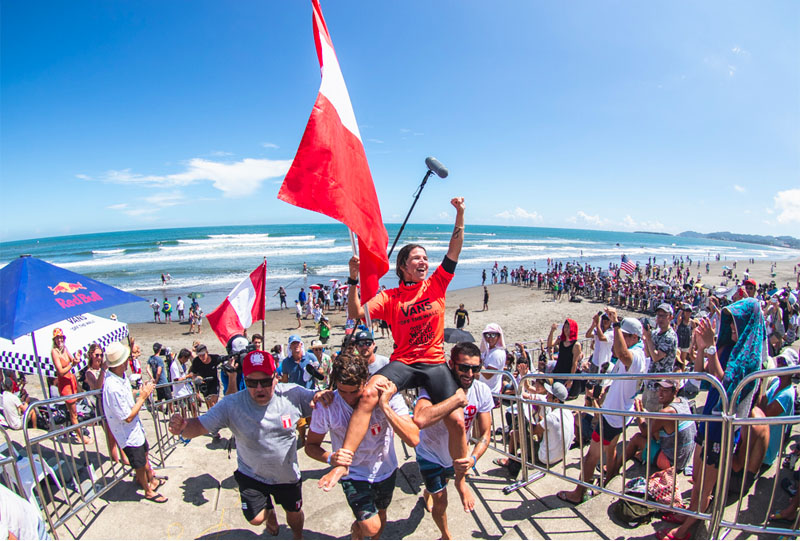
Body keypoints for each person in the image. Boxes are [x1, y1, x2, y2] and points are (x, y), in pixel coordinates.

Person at [320, 197, 476, 512]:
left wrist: (460, 213)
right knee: (368, 395)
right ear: (403, 266)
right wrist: (353, 280)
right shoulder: (389, 297)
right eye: (417, 258)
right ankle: (344, 460)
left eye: (425, 258)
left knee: (458, 422)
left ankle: (460, 478)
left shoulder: (437, 284)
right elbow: (356, 314)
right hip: (404, 362)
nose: (424, 262)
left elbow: (455, 248)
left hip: (433, 364)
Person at [168, 350, 331, 539]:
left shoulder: (292, 394)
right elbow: (199, 426)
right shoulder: (232, 404)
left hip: (286, 476)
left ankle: (297, 536)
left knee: (294, 515)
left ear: (275, 377)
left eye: (265, 382)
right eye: (252, 383)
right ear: (245, 379)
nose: (259, 388)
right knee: (255, 518)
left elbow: (321, 398)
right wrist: (182, 427)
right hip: (251, 474)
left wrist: (324, 395)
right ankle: (269, 513)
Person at [660, 298, 767, 540]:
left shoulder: (749, 357)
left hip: (723, 428)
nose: (730, 326)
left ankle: (687, 529)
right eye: (729, 321)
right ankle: (690, 513)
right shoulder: (728, 347)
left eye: (735, 322)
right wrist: (702, 347)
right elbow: (703, 374)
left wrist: (709, 348)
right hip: (709, 419)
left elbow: (727, 387)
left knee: (706, 485)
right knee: (696, 477)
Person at [306, 352, 418, 539]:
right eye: (343, 391)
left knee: (381, 515)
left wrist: (384, 405)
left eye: (354, 391)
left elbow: (413, 438)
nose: (349, 398)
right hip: (354, 474)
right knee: (371, 526)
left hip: (385, 469)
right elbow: (311, 445)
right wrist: (330, 458)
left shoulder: (388, 397)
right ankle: (357, 532)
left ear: (366, 381)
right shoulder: (327, 404)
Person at [557, 310, 646, 505]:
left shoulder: (637, 355)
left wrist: (614, 323)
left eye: (623, 335)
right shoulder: (635, 353)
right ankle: (608, 480)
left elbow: (623, 353)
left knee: (591, 456)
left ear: (633, 337)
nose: (617, 339)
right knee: (610, 448)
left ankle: (578, 493)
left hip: (614, 416)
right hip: (618, 412)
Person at [413, 342, 493, 539]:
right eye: (464, 367)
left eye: (475, 369)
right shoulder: (434, 387)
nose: (469, 373)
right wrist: (454, 400)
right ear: (451, 365)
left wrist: (473, 460)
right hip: (429, 453)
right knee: (441, 502)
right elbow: (420, 418)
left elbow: (485, 433)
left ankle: (429, 493)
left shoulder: (482, 391)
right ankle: (446, 536)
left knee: (441, 485)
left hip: (457, 455)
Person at [102, 342, 167, 503]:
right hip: (127, 432)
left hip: (135, 429)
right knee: (138, 462)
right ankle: (147, 490)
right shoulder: (112, 387)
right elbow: (127, 416)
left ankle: (150, 479)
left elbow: (128, 394)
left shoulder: (120, 377)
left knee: (144, 454)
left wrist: (140, 391)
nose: (127, 362)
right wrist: (143, 397)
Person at [606, 379, 696, 482]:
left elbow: (645, 432)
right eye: (659, 389)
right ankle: (642, 455)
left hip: (672, 463)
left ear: (674, 392)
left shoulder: (666, 413)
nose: (660, 393)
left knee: (637, 439)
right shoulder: (682, 401)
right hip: (683, 458)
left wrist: (639, 413)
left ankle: (614, 471)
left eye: (665, 390)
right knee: (654, 429)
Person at [84, 344, 126, 465]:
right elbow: (97, 386)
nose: (99, 357)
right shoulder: (89, 373)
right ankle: (116, 459)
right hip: (101, 403)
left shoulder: (106, 370)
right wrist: (102, 370)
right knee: (110, 433)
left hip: (110, 400)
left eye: (101, 355)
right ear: (91, 355)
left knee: (117, 429)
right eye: (97, 355)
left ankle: (123, 456)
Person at [50, 328, 92, 445]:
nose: (60, 340)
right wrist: (72, 365)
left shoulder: (64, 348)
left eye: (61, 337)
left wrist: (76, 358)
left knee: (81, 400)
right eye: (57, 338)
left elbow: (72, 360)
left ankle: (76, 430)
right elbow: (61, 371)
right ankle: (80, 436)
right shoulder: (54, 352)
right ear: (54, 340)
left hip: (72, 381)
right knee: (73, 413)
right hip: (65, 384)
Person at [642, 303, 679, 412]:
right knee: (644, 409)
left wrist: (648, 339)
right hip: (650, 381)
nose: (660, 319)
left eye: (664, 316)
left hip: (660, 384)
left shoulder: (670, 336)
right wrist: (646, 341)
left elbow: (656, 357)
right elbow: (648, 354)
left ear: (670, 317)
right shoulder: (655, 333)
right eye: (658, 316)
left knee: (652, 415)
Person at [547, 319, 583, 395]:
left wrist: (570, 379)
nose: (566, 329)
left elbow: (574, 363)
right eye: (565, 327)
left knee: (560, 395)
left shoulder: (576, 345)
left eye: (568, 327)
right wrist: (552, 331)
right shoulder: (561, 340)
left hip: (566, 374)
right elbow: (550, 345)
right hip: (557, 371)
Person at [187, 344, 222, 418]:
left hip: (214, 382)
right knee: (208, 403)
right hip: (203, 383)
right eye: (199, 355)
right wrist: (196, 377)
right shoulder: (196, 361)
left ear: (207, 352)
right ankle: (212, 418)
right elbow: (192, 373)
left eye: (203, 355)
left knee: (213, 402)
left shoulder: (214, 358)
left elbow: (224, 360)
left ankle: (215, 418)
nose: (202, 357)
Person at [584, 311, 614, 400]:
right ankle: (588, 401)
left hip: (604, 362)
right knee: (590, 384)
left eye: (607, 319)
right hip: (595, 361)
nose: (605, 321)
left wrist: (597, 325)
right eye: (604, 319)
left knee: (600, 386)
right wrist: (594, 324)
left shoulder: (612, 332)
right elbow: (588, 335)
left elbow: (602, 338)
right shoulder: (598, 329)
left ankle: (597, 403)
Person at [479, 324, 507, 402]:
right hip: (483, 391)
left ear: (498, 336)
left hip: (491, 393)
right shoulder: (487, 351)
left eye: (493, 335)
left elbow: (488, 375)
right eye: (487, 335)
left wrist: (477, 363)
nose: (490, 338)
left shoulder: (498, 353)